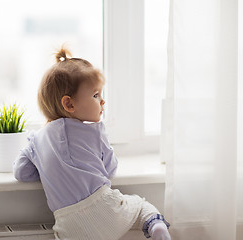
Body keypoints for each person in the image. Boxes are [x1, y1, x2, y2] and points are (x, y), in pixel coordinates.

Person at [13, 47, 171, 240]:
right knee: (140, 208)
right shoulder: (94, 130)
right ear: (69, 104)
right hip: (106, 208)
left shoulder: (35, 140)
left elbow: (22, 173)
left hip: (68, 224)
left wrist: (49, 166)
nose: (102, 102)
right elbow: (110, 169)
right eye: (96, 95)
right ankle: (157, 228)